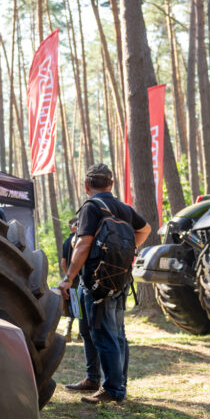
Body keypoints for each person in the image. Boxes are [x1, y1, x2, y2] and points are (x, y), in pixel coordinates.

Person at [58, 163, 151, 404]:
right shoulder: (123, 208)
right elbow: (145, 229)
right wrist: (124, 252)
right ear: (111, 184)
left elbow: (83, 244)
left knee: (103, 333)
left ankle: (113, 389)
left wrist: (68, 279)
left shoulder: (91, 207)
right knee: (117, 334)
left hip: (97, 283)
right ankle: (106, 381)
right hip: (120, 280)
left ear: (86, 185)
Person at [60, 217, 79, 342]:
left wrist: (67, 276)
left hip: (70, 279)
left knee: (72, 305)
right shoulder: (81, 240)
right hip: (80, 277)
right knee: (80, 305)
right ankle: (81, 334)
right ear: (74, 227)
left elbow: (63, 263)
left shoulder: (66, 242)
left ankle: (67, 331)